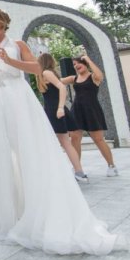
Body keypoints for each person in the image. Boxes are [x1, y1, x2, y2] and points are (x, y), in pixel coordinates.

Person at [0, 9, 123, 255]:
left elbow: (34, 69)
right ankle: (8, 217)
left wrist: (10, 61)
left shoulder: (17, 44)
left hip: (16, 98)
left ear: (3, 24)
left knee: (28, 151)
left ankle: (38, 211)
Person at [61, 54, 119, 177]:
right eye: (74, 65)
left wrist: (88, 58)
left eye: (78, 63)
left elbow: (100, 75)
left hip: (92, 110)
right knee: (75, 138)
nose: (76, 66)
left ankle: (111, 166)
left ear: (86, 63)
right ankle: (77, 169)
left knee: (98, 139)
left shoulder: (94, 77)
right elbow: (57, 81)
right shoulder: (74, 78)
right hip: (77, 110)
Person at [35, 53, 88, 183]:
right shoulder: (47, 73)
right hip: (54, 109)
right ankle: (77, 171)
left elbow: (61, 87)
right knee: (64, 143)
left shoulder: (46, 73)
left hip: (54, 110)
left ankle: (78, 172)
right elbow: (61, 84)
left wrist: (59, 108)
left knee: (64, 143)